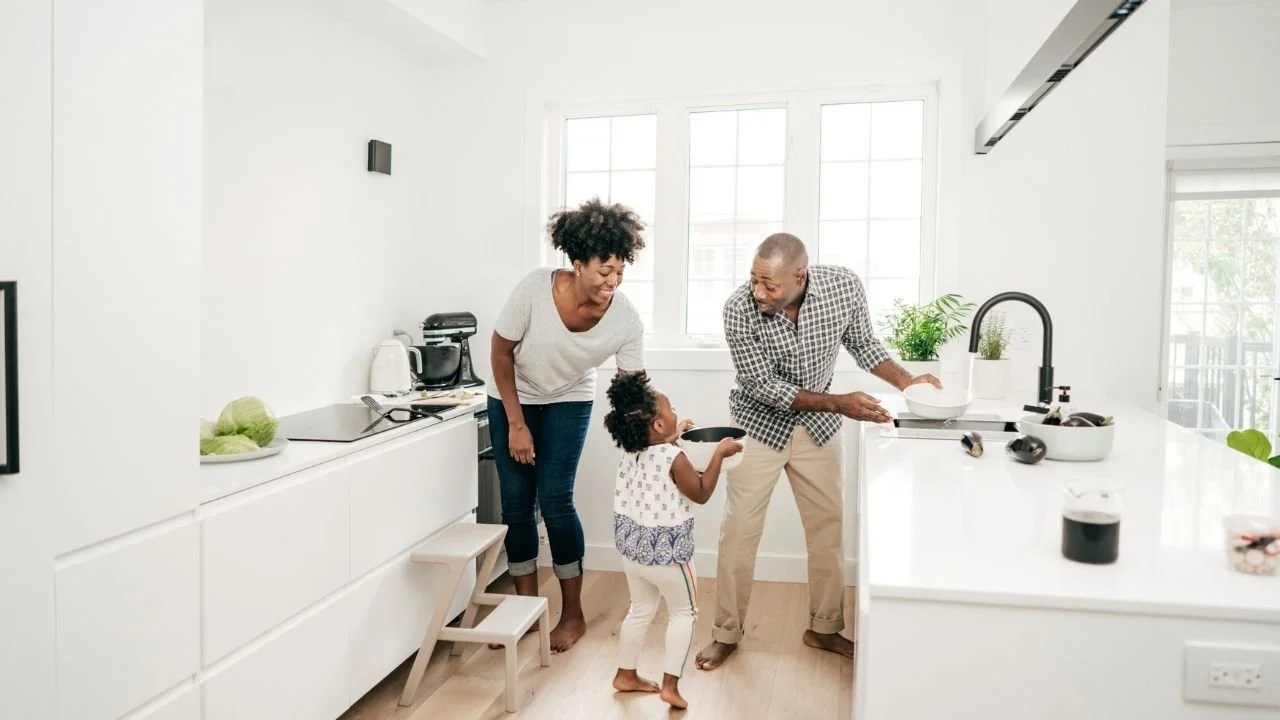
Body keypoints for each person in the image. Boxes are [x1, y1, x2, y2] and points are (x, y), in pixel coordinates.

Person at [695, 232, 940, 671]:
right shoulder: (738, 309)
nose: (758, 292)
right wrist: (839, 402)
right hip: (758, 425)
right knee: (739, 534)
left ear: (800, 276)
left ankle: (824, 628)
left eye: (770, 285)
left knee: (828, 530)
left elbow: (864, 344)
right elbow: (761, 386)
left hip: (819, 428)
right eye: (754, 280)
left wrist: (908, 382)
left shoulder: (843, 287)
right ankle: (726, 633)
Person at [488, 197, 647, 653]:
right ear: (577, 264)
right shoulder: (534, 290)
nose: (613, 281)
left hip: (570, 397)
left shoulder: (625, 318)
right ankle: (524, 611)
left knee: (555, 499)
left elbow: (631, 388)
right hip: (512, 395)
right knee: (517, 504)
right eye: (604, 271)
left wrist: (654, 433)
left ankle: (572, 614)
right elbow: (499, 353)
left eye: (620, 271)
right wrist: (516, 423)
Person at [603, 372, 743, 710]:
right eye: (671, 409)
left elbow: (659, 463)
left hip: (633, 551)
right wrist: (719, 456)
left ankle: (626, 674)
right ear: (659, 427)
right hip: (668, 557)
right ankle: (671, 684)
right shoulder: (674, 459)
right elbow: (700, 492)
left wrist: (676, 436)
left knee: (640, 611)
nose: (676, 411)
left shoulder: (632, 451)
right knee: (685, 612)